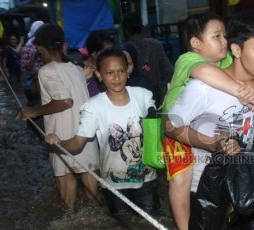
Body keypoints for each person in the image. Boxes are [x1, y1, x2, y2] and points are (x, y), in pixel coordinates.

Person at [162, 12, 254, 230]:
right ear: (236, 50)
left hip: (243, 179)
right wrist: (215, 144)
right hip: (206, 184)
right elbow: (171, 127)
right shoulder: (201, 88)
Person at [45, 47, 160, 215]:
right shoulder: (93, 107)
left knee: (150, 224)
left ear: (128, 70)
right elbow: (77, 144)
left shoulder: (143, 96)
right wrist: (59, 142)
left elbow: (157, 126)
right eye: (110, 73)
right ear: (99, 75)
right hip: (114, 185)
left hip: (147, 179)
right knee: (121, 229)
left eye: (121, 71)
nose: (116, 77)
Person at [16, 24, 100, 211]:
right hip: (85, 137)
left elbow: (65, 101)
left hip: (60, 140)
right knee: (94, 202)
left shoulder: (46, 71)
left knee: (67, 206)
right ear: (64, 46)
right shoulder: (76, 68)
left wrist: (34, 111)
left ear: (39, 48)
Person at [122, 13, 174, 105]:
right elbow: (169, 71)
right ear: (142, 27)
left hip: (135, 96)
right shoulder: (155, 44)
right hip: (157, 93)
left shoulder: (125, 49)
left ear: (126, 31)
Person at [21, 20, 45, 105]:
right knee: (35, 105)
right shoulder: (28, 48)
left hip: (44, 80)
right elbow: (26, 68)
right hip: (32, 82)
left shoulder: (45, 46)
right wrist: (34, 56)